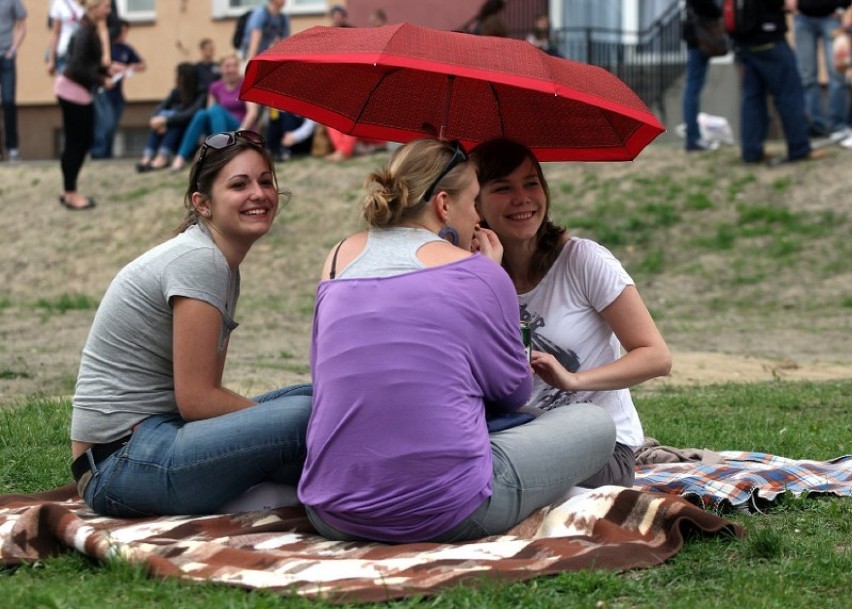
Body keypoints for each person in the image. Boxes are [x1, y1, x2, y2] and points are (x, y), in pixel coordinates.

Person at [298, 138, 616, 543]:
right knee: (594, 423)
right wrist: (491, 277)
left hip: (331, 513)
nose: (477, 218)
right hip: (449, 512)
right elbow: (512, 392)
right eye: (473, 202)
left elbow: (323, 370)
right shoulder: (478, 272)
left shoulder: (339, 256)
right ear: (444, 205)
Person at [70, 129, 313, 517]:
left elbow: (204, 396)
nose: (259, 194)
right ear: (203, 204)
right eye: (239, 184)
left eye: (265, 181)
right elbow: (198, 400)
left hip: (161, 434)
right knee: (302, 417)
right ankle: (319, 486)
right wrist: (275, 429)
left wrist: (272, 430)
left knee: (313, 398)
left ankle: (294, 483)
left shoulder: (221, 264)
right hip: (117, 463)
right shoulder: (199, 261)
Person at [470, 138, 672, 488]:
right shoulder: (467, 272)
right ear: (476, 205)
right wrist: (482, 280)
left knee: (486, 478)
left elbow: (656, 357)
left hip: (600, 449)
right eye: (503, 188)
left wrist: (573, 380)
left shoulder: (583, 260)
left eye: (531, 183)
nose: (522, 198)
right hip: (512, 437)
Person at [729, 0, 826, 163]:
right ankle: (799, 148)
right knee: (789, 95)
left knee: (752, 99)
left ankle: (751, 151)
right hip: (769, 38)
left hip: (744, 41)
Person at [55, 0, 116, 210]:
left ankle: (68, 190)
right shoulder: (84, 31)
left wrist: (106, 70)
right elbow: (77, 66)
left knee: (83, 141)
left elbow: (86, 63)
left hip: (79, 92)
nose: (109, 10)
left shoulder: (89, 28)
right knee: (76, 142)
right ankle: (70, 193)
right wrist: (101, 80)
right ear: (94, 7)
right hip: (72, 92)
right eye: (106, 6)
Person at [169, 54, 259, 171]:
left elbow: (253, 113)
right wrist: (202, 134)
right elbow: (208, 113)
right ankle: (180, 157)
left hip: (241, 128)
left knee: (216, 109)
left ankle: (220, 153)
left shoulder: (246, 84)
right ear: (221, 69)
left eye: (235, 66)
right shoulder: (215, 87)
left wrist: (240, 131)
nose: (231, 69)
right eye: (227, 66)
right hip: (221, 129)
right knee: (202, 113)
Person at [794, 0, 851, 139]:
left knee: (837, 75)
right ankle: (816, 126)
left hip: (831, 18)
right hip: (803, 18)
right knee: (807, 76)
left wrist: (842, 8)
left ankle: (837, 126)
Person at [91, 18, 145, 159]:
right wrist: (111, 66)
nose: (124, 35)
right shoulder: (105, 47)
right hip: (103, 91)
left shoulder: (126, 49)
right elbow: (97, 64)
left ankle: (107, 155)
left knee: (112, 126)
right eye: (122, 32)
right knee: (105, 123)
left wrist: (130, 67)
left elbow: (142, 64)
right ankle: (98, 154)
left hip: (117, 93)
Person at [136, 61, 204, 172]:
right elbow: (160, 107)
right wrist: (157, 120)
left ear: (184, 77)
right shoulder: (176, 92)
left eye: (177, 74)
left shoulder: (200, 93)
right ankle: (147, 157)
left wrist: (166, 121)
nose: (175, 77)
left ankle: (162, 158)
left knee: (174, 124)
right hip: (171, 129)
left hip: (189, 137)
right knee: (161, 122)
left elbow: (190, 115)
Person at [681, 0, 723, 152]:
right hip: (699, 37)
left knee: (693, 87)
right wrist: (719, 10)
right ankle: (693, 138)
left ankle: (693, 137)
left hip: (697, 38)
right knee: (693, 88)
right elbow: (709, 8)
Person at [0, 0, 26, 162]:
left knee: (9, 102)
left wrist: (14, 48)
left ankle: (13, 148)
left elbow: (22, 25)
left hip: (6, 57)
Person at [46, 0, 83, 78]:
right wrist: (51, 60)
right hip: (64, 53)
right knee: (65, 87)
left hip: (84, 53)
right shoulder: (59, 3)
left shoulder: (90, 2)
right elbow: (55, 32)